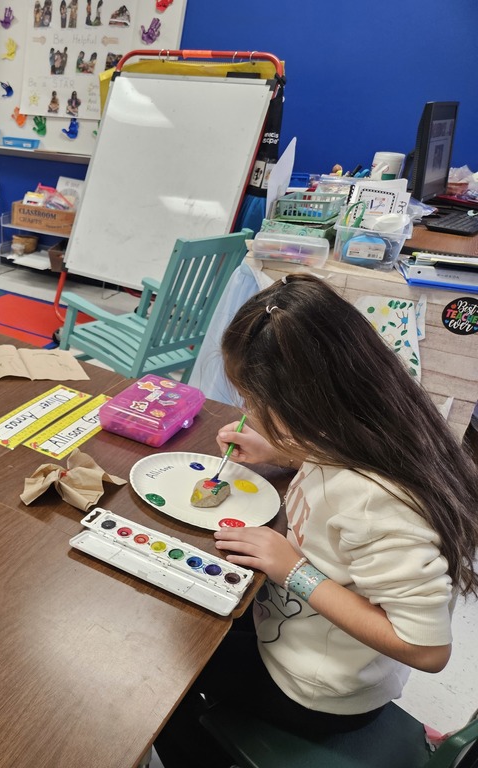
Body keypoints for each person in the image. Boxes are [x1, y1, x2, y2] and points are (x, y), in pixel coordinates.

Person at [155, 274, 478, 767]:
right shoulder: (363, 425)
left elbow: (427, 648)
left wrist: (294, 571)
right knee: (188, 614)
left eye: (250, 399)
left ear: (299, 404)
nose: (245, 410)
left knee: (161, 678)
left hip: (319, 690)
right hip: (297, 632)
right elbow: (336, 467)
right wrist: (282, 451)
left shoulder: (378, 501)